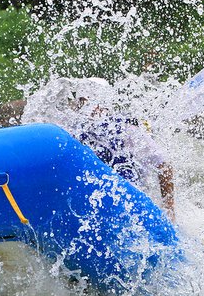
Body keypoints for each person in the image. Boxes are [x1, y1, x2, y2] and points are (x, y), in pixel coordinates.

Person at [25, 77, 176, 219]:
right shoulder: (70, 130)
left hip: (129, 201)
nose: (88, 108)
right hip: (87, 203)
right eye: (82, 102)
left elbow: (164, 166)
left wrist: (169, 209)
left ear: (104, 105)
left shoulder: (127, 131)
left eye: (91, 102)